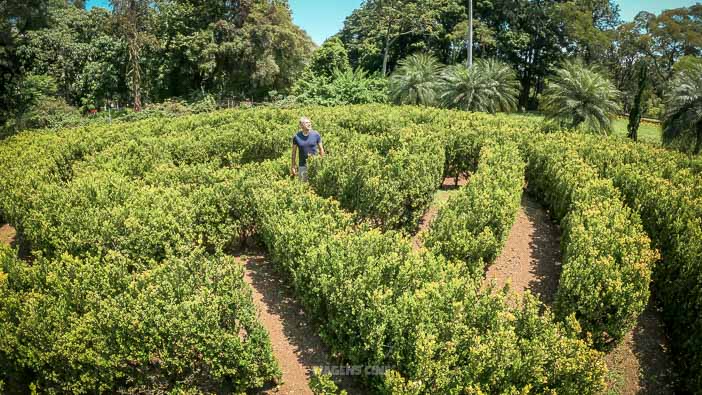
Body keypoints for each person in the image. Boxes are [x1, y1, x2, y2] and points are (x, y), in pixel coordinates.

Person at [291, 116, 324, 181]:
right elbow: (293, 153)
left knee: (316, 183)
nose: (309, 124)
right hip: (302, 165)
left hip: (315, 164)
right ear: (301, 125)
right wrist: (293, 166)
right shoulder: (296, 137)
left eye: (309, 122)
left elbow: (321, 149)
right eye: (306, 123)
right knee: (303, 185)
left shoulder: (316, 134)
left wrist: (321, 162)